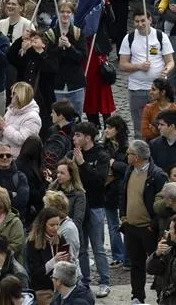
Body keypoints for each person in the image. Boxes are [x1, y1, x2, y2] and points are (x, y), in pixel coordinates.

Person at [121, 139, 169, 304]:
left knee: (157, 264)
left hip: (148, 229)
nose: (126, 155)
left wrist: (152, 225)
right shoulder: (130, 170)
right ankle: (137, 296)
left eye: (128, 153)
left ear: (136, 157)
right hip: (131, 227)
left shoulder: (157, 175)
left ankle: (160, 296)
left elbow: (164, 203)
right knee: (136, 264)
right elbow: (124, 195)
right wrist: (123, 216)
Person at [69, 122, 111, 297]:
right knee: (81, 248)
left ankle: (104, 281)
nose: (74, 138)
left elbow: (99, 182)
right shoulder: (72, 154)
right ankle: (85, 281)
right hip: (78, 207)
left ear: (88, 137)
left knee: (98, 247)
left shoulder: (101, 155)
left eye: (78, 135)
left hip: (95, 206)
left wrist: (83, 164)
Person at [119, 8, 174, 138]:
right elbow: (123, 64)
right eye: (137, 21)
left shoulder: (161, 36)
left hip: (158, 90)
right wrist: (139, 66)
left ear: (150, 20)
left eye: (143, 20)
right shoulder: (129, 38)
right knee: (140, 128)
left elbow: (170, 61)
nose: (140, 24)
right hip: (137, 89)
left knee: (160, 125)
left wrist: (166, 70)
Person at [25, 207, 70, 304]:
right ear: (43, 224)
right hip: (43, 289)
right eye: (52, 225)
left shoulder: (60, 238)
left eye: (57, 224)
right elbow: (35, 273)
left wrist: (67, 260)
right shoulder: (32, 242)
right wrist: (54, 261)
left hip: (60, 287)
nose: (55, 228)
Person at [103, 115, 129, 267]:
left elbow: (127, 168)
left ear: (117, 130)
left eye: (109, 127)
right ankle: (118, 256)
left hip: (123, 191)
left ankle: (127, 257)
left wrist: (114, 164)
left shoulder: (126, 147)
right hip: (109, 192)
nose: (106, 130)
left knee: (125, 225)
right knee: (113, 226)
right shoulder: (104, 147)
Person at [0, 82, 41, 157]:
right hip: (4, 155)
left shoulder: (33, 118)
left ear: (20, 96)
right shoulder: (11, 110)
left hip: (18, 160)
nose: (11, 96)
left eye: (13, 94)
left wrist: (4, 127)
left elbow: (21, 140)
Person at [146, 214, 176, 305]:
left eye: (171, 229)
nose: (168, 232)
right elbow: (151, 269)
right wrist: (157, 254)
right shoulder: (171, 251)